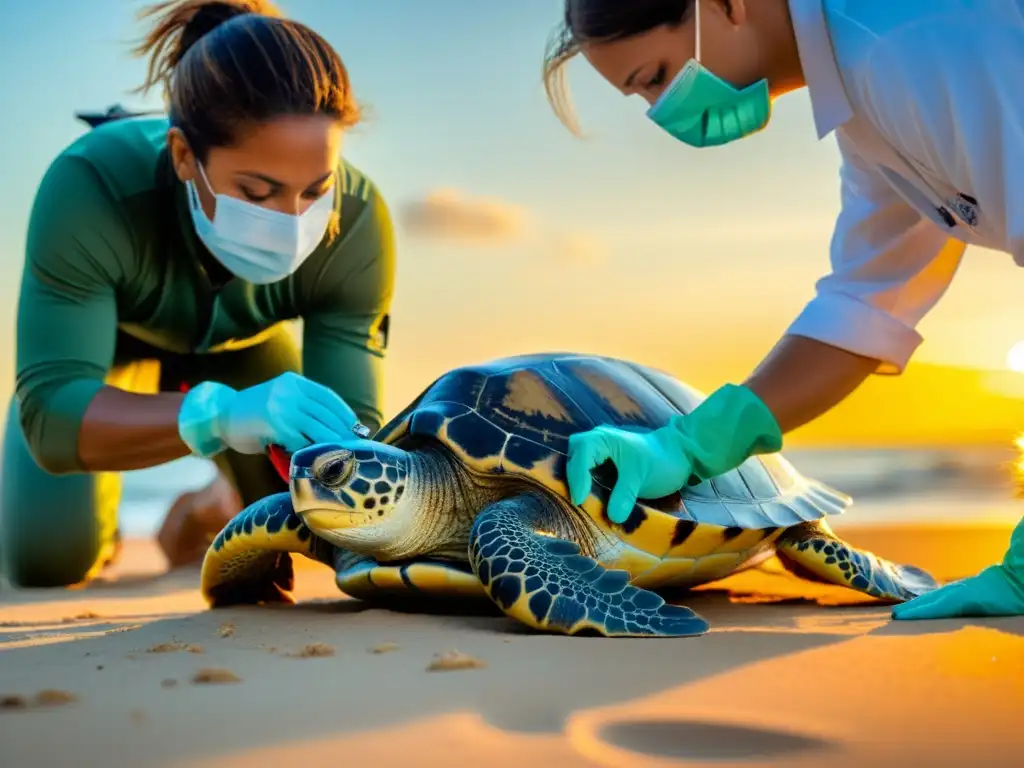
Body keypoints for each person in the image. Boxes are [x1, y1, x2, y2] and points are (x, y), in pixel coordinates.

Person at [542, 0, 1024, 620]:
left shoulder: (904, 41)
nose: (663, 112)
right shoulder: (863, 91)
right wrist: (690, 446)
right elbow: (865, 302)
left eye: (657, 77)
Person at [1, 0, 396, 588]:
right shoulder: (90, 186)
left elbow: (359, 439)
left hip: (246, 353)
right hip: (109, 354)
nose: (293, 219)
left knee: (339, 530)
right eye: (258, 192)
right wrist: (221, 416)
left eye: (316, 188)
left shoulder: (359, 223)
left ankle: (212, 504)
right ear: (185, 156)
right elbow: (53, 418)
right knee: (48, 561)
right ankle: (114, 519)